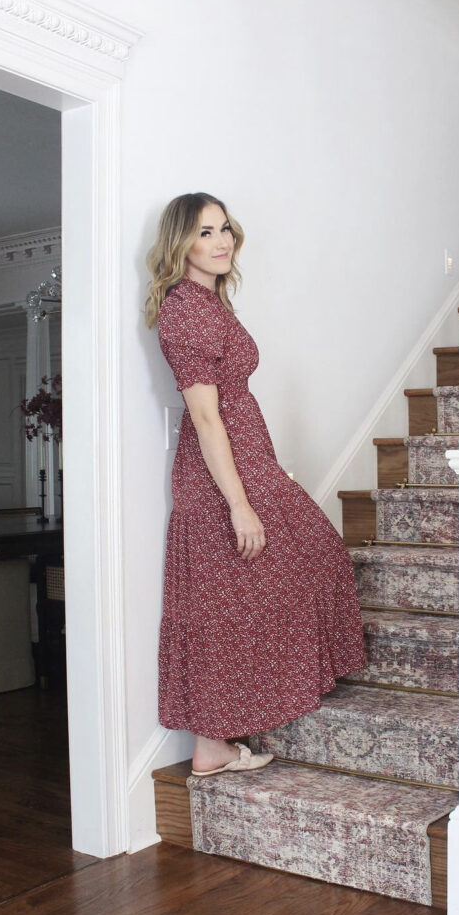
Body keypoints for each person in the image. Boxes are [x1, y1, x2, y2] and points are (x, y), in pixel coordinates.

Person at [145, 192, 367, 777]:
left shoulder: (209, 301)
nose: (221, 242)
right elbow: (206, 416)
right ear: (181, 244)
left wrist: (264, 470)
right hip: (221, 475)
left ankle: (215, 743)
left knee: (294, 565)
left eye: (226, 230)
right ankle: (213, 741)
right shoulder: (186, 310)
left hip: (249, 464)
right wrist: (240, 502)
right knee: (225, 599)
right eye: (205, 232)